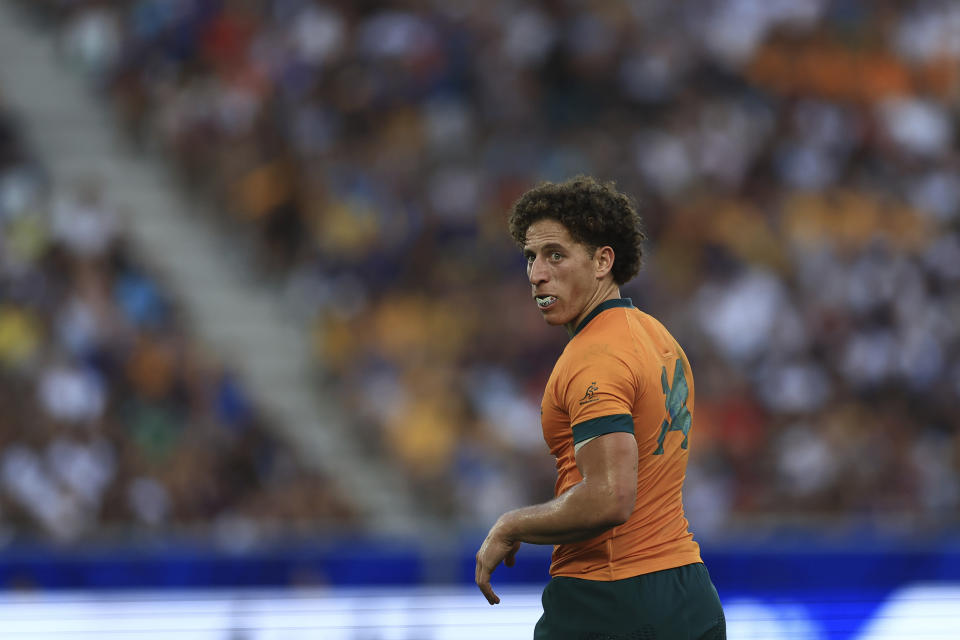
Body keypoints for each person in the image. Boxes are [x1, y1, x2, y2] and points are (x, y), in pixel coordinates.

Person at [475, 176, 726, 639]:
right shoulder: (660, 338)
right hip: (688, 592)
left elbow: (610, 497)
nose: (536, 274)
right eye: (531, 257)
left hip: (610, 598)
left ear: (602, 261)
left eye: (555, 254)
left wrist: (513, 523)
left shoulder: (595, 357)